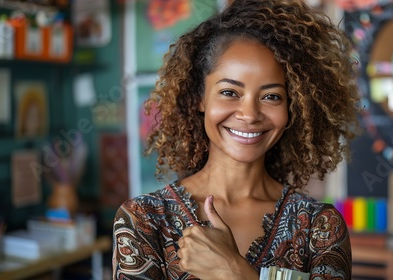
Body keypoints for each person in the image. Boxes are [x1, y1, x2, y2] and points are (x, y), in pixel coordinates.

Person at [113, 0, 360, 279]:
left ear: (293, 108)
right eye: (230, 92)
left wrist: (233, 270)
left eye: (271, 96)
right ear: (199, 98)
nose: (250, 114)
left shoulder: (320, 226)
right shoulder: (145, 219)